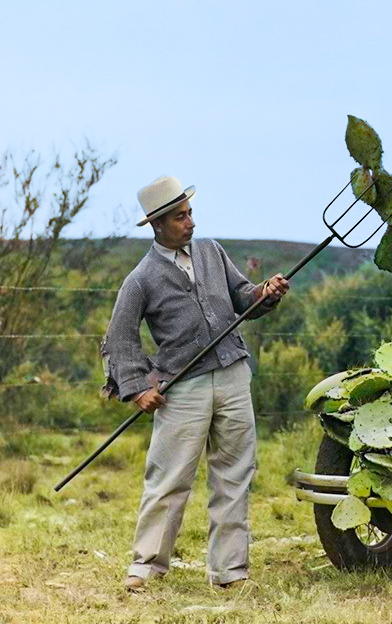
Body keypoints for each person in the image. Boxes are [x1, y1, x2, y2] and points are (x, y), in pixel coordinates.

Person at [100, 176, 290, 591]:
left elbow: (244, 299)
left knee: (235, 475)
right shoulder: (141, 278)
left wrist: (266, 292)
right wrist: (136, 388)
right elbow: (119, 338)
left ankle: (230, 573)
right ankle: (146, 568)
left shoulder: (212, 252)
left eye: (190, 213)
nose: (191, 222)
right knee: (169, 478)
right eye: (181, 217)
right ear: (158, 225)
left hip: (234, 375)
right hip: (182, 388)